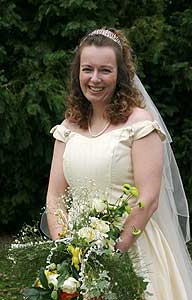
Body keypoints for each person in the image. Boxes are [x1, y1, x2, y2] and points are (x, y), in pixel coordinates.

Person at [42, 28, 192, 299]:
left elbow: (148, 198)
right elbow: (54, 196)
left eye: (105, 70)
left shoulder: (140, 124)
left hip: (132, 250)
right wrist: (67, 250)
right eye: (87, 69)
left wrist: (113, 253)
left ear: (120, 75)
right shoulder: (68, 128)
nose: (95, 79)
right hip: (78, 253)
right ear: (78, 73)